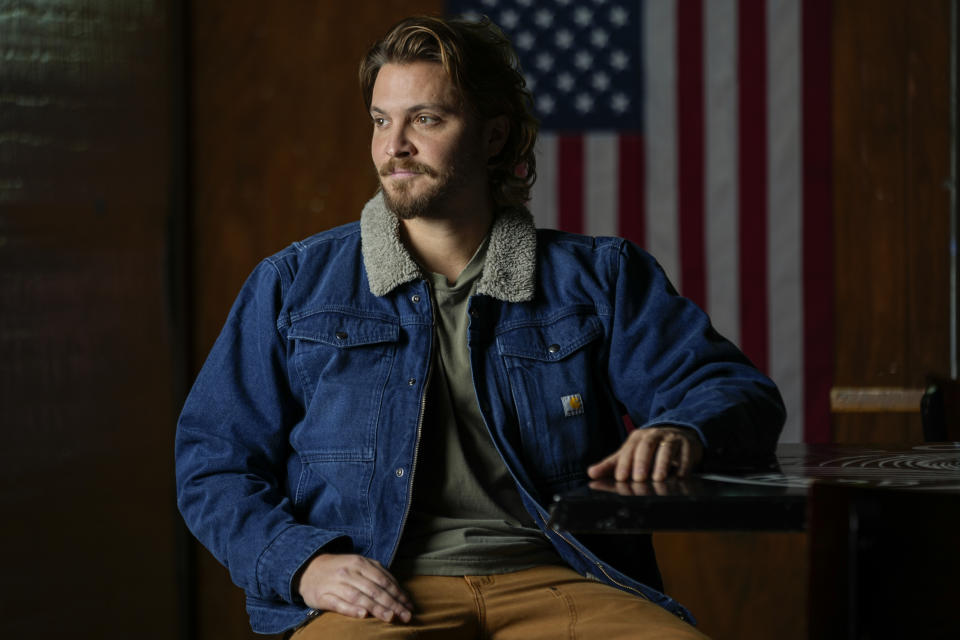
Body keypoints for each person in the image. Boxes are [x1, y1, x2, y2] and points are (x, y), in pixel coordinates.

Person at [175, 15, 785, 639]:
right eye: (381, 121)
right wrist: (300, 564)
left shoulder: (599, 277)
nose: (395, 146)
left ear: (495, 137)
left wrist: (685, 429)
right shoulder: (293, 283)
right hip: (379, 592)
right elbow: (212, 462)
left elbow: (738, 394)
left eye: (426, 119)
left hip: (566, 578)